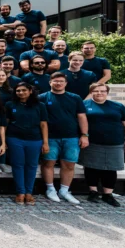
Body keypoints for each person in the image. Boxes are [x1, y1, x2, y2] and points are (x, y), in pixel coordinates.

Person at [80, 83, 125, 207]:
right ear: (91, 92)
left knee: (110, 169)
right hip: (92, 143)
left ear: (107, 92)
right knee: (91, 168)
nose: (99, 93)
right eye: (96, 91)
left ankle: (108, 194)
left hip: (114, 143)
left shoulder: (118, 106)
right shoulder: (84, 105)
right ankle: (93, 192)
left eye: (102, 91)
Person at [39, 73, 88, 204]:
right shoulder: (42, 97)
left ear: (66, 83)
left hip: (71, 137)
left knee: (69, 164)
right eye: (55, 81)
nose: (58, 83)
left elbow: (82, 117)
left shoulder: (75, 98)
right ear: (50, 82)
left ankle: (64, 190)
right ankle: (50, 189)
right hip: (50, 137)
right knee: (48, 163)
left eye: (61, 81)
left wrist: (84, 135)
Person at [5, 82, 49, 205]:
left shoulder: (40, 105)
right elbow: (5, 123)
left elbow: (43, 124)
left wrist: (45, 142)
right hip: (15, 139)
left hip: (35, 139)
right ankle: (20, 192)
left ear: (30, 91)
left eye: (24, 90)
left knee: (32, 165)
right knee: (17, 165)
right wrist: (3, 141)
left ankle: (29, 192)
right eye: (18, 91)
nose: (21, 93)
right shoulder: (10, 105)